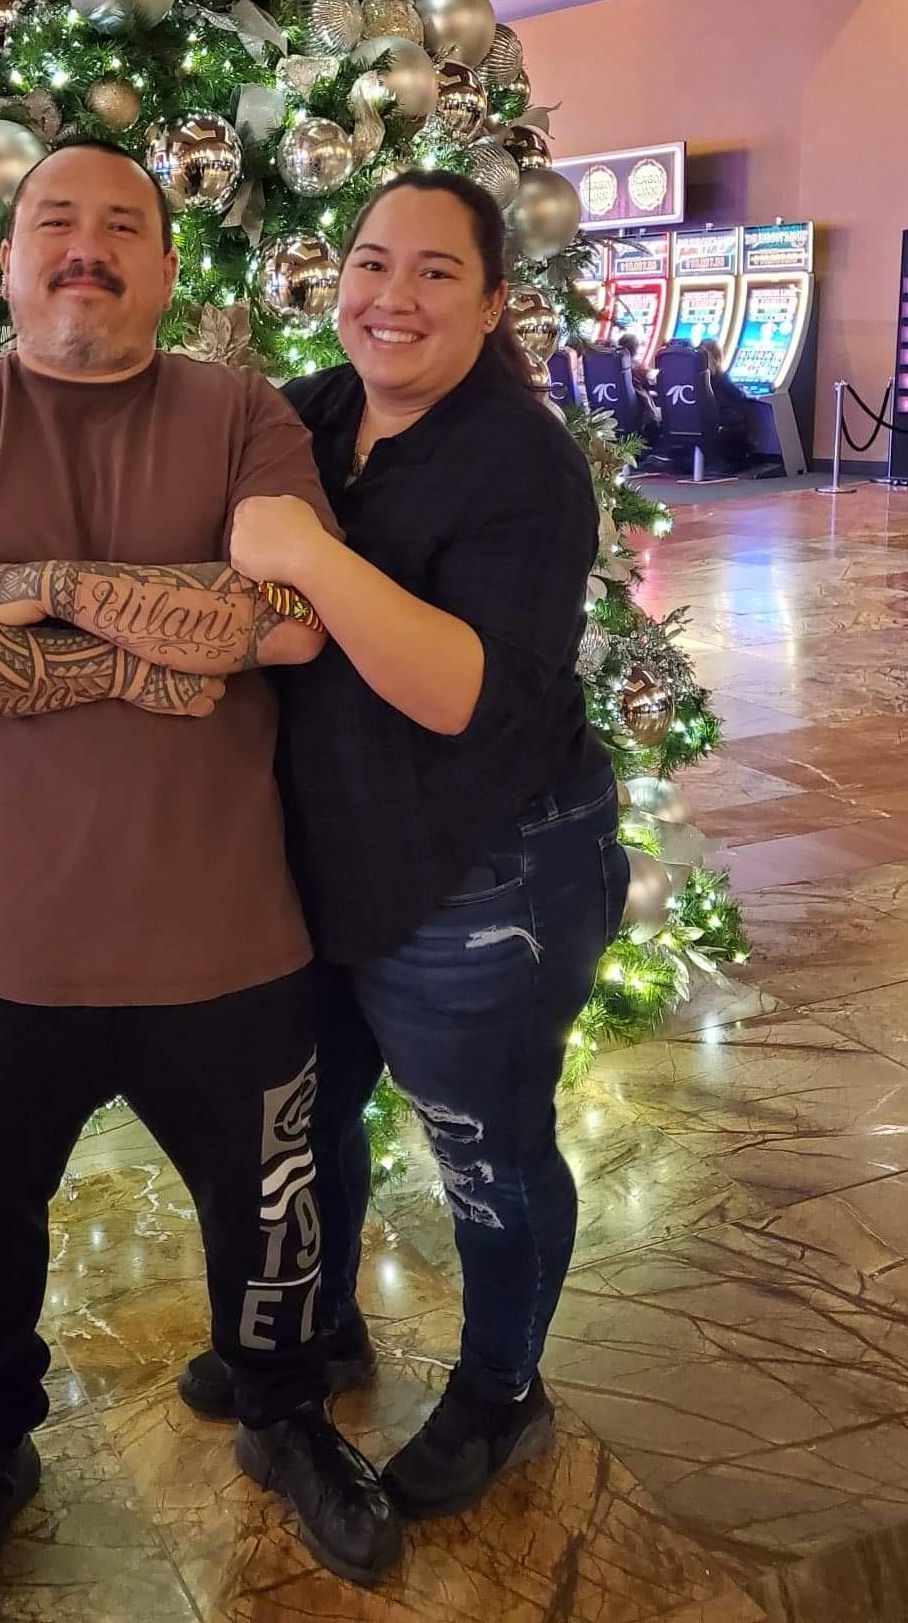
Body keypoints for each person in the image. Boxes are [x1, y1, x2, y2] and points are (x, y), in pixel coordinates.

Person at [0, 139, 399, 1623]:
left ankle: (281, 1414)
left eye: (124, 224)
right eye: (53, 221)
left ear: (169, 266)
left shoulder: (241, 411)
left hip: (226, 919)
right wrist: (153, 655)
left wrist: (48, 590)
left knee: (272, 1207)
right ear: (5, 259)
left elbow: (288, 624)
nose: (87, 246)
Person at [178, 170, 629, 1523]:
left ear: (495, 303)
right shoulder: (310, 416)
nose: (392, 297)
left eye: (437, 272)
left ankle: (504, 1389)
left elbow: (462, 691)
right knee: (310, 1132)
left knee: (486, 1152)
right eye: (372, 263)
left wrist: (311, 560)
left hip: (489, 877)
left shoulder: (523, 463)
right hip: (328, 863)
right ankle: (322, 1329)